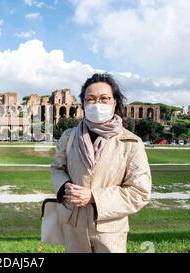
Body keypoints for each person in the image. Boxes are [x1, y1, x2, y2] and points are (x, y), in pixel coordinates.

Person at [51, 73, 152, 253]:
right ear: (83, 104)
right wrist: (64, 186)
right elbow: (57, 168)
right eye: (90, 99)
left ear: (114, 103)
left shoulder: (131, 142)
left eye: (104, 98)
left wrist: (93, 197)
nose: (97, 104)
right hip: (73, 225)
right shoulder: (69, 136)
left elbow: (140, 192)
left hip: (109, 230)